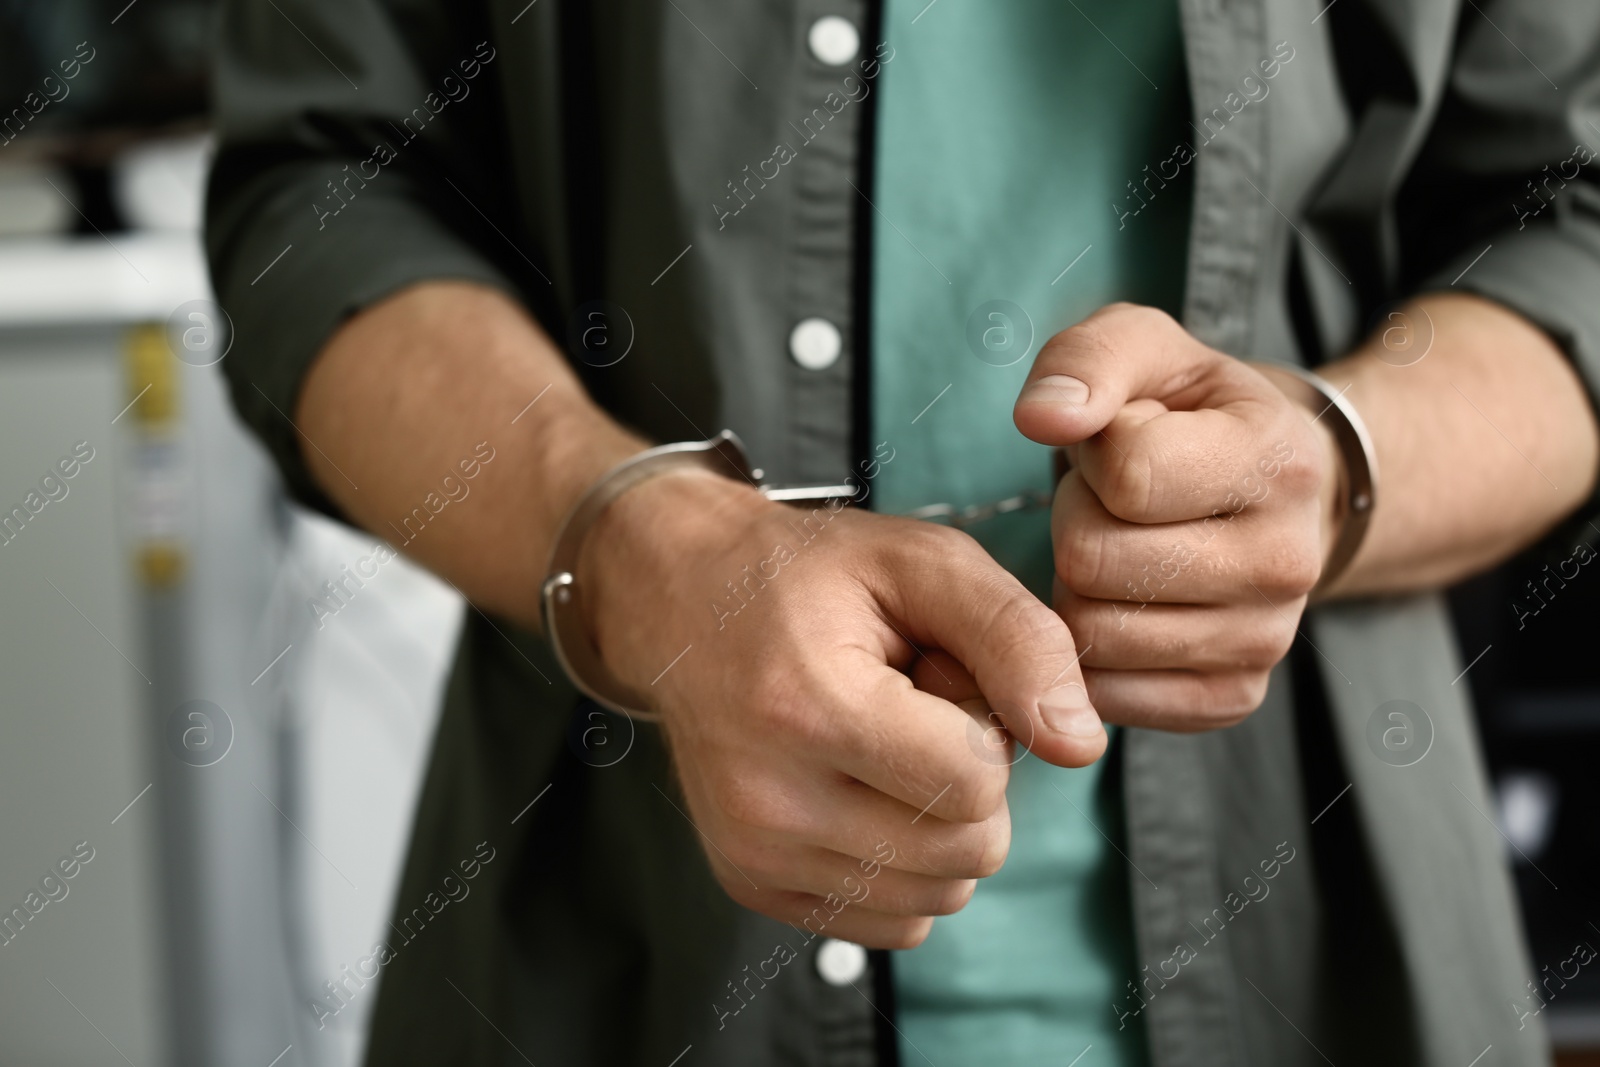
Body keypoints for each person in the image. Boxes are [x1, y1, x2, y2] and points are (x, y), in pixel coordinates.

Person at [206, 0, 1600, 1063]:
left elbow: (1572, 219)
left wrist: (1341, 460)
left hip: (1325, 970)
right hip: (620, 964)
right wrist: (644, 557)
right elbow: (321, 195)